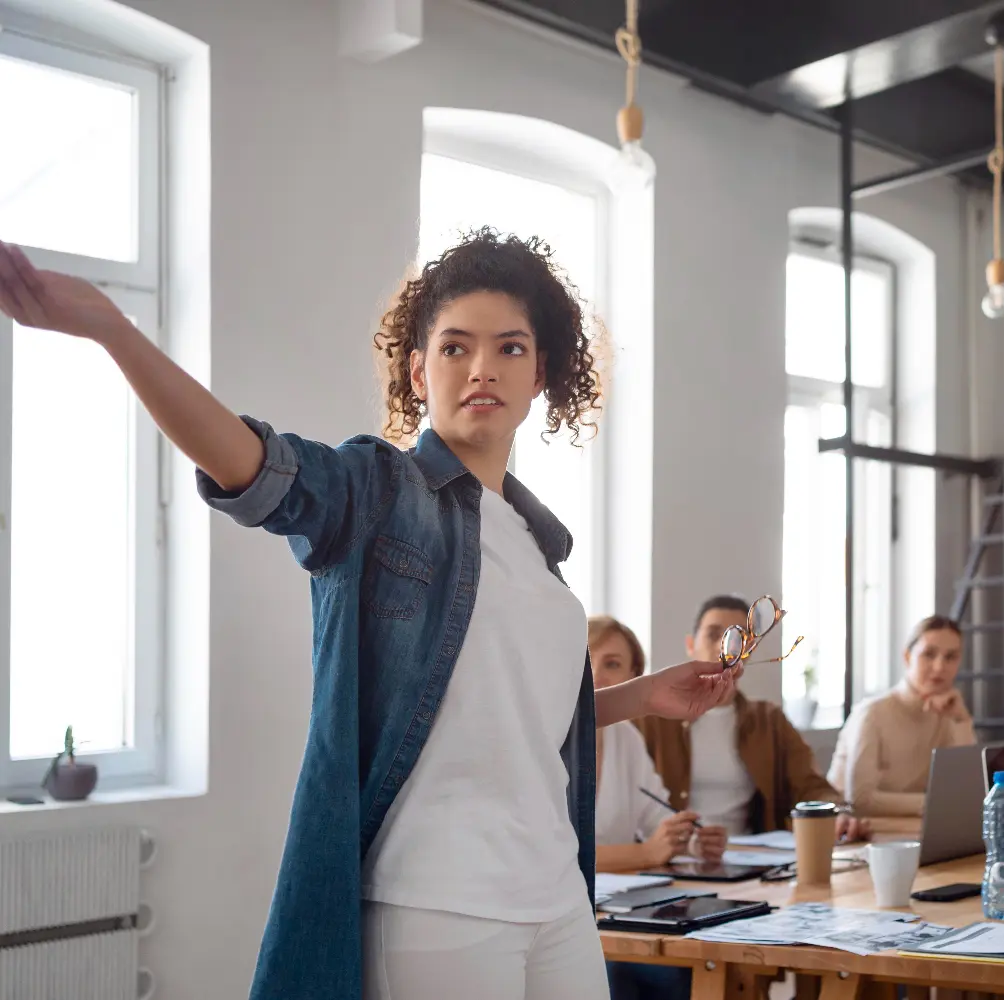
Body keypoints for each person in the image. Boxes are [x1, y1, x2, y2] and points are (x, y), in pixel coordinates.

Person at [0, 234, 740, 1000]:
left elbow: (509, 722)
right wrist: (114, 330)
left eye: (509, 348)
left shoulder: (538, 544)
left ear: (539, 373)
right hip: (439, 902)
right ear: (420, 371)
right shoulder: (380, 494)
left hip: (555, 893)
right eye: (455, 347)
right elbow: (252, 465)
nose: (481, 367)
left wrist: (641, 697)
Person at [635, 595, 870, 842]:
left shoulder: (768, 721)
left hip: (753, 857)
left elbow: (811, 785)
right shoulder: (652, 719)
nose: (722, 648)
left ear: (748, 650)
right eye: (713, 635)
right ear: (691, 645)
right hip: (672, 856)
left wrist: (837, 812)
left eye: (736, 639)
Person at [588, 615, 728, 871]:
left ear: (633, 678)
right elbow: (546, 858)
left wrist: (692, 840)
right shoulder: (539, 741)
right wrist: (645, 853)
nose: (595, 674)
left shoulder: (625, 737)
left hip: (614, 901)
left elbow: (656, 816)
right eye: (585, 658)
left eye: (612, 664)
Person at [826, 615, 975, 816]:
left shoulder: (948, 714)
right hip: (854, 834)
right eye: (929, 654)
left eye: (950, 657)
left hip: (912, 831)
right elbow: (860, 799)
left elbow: (967, 791)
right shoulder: (872, 713)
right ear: (907, 657)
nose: (940, 667)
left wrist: (962, 720)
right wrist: (935, 803)